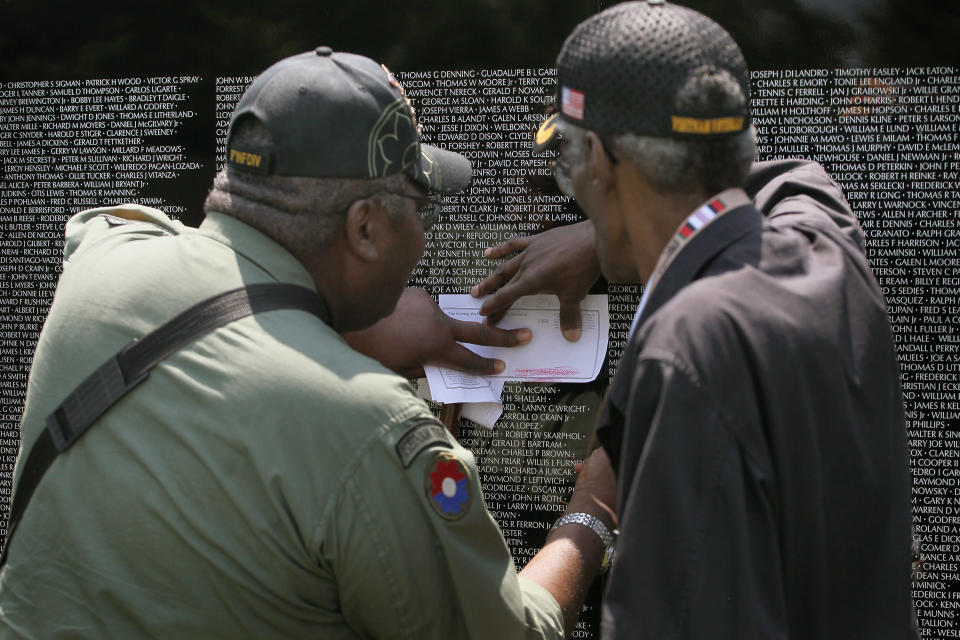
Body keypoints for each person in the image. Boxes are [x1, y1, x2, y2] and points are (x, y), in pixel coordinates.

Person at [0, 48, 617, 639]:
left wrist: (335, 321)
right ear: (365, 228)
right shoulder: (372, 426)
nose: (425, 237)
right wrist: (593, 512)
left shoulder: (102, 261)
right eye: (422, 208)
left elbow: (116, 225)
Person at [473, 1, 916, 637]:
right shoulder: (828, 253)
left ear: (598, 159)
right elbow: (800, 182)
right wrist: (611, 234)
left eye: (569, 162)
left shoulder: (684, 351)